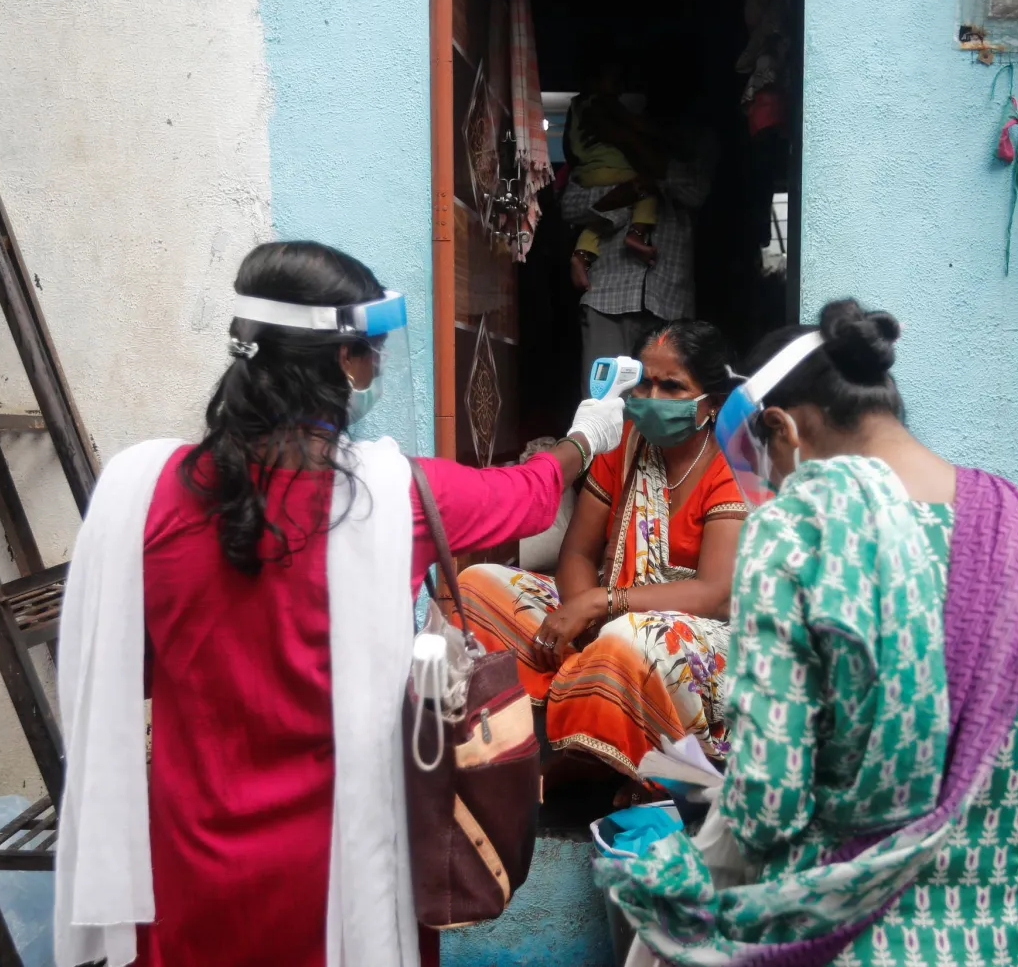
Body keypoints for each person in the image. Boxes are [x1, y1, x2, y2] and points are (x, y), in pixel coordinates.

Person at [53, 241, 626, 967]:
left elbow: (126, 673)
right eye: (374, 355)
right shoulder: (394, 499)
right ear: (342, 364)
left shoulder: (142, 491)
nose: (377, 372)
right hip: (338, 879)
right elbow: (527, 495)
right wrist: (586, 437)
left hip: (188, 858)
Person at [599, 300, 1018, 966]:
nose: (773, 488)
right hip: (1004, 938)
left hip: (840, 944)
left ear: (781, 430)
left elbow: (768, 807)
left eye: (765, 468)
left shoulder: (800, 534)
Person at [458, 320, 748, 791]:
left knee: (625, 642)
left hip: (699, 633)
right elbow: (577, 551)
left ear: (712, 402)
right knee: (475, 587)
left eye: (672, 387)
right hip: (609, 613)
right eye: (645, 383)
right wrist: (580, 615)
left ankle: (602, 755)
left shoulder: (729, 466)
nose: (653, 396)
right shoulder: (625, 444)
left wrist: (598, 606)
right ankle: (544, 715)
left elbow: (715, 593)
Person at [563, 64, 717, 375]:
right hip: (606, 294)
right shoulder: (598, 143)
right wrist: (633, 187)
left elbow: (694, 189)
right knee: (602, 407)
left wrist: (626, 138)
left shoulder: (696, 140)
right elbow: (571, 207)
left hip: (668, 299)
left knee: (662, 412)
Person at [567, 54, 662, 289]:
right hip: (612, 170)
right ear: (597, 80)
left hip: (588, 171)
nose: (620, 87)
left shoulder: (575, 107)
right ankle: (636, 234)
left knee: (606, 214)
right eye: (615, 79)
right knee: (648, 187)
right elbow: (633, 123)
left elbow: (568, 148)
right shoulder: (604, 103)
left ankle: (581, 255)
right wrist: (656, 132)